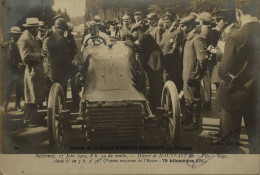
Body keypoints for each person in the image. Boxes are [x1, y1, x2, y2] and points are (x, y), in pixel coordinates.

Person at [217, 0, 260, 153]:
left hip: (234, 97)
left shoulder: (236, 37)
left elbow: (223, 71)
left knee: (230, 145)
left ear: (239, 13)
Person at [17, 18, 45, 126]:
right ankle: (31, 120)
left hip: (36, 71)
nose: (38, 29)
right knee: (31, 97)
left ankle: (34, 119)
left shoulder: (31, 37)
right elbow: (25, 57)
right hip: (31, 71)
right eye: (36, 28)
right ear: (31, 28)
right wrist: (40, 55)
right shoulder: (24, 39)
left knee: (35, 96)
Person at [182, 15, 208, 130]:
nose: (182, 28)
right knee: (188, 99)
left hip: (192, 75)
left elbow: (202, 59)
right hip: (187, 74)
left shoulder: (197, 38)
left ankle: (195, 123)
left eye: (183, 26)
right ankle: (188, 120)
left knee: (195, 100)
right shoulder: (189, 38)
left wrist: (199, 74)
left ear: (190, 26)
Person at [130, 23, 163, 114]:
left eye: (133, 32)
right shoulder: (143, 37)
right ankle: (154, 108)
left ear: (138, 31)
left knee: (156, 88)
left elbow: (134, 46)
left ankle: (158, 110)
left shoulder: (145, 36)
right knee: (152, 88)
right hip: (150, 67)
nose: (132, 35)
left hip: (155, 67)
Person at [43, 18, 71, 101]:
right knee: (62, 93)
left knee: (51, 94)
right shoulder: (62, 40)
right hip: (61, 73)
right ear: (63, 29)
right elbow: (64, 58)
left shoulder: (49, 39)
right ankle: (63, 108)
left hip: (51, 72)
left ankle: (51, 110)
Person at [160, 13, 183, 92]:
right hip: (164, 63)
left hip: (173, 63)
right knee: (165, 81)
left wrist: (164, 56)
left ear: (172, 22)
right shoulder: (164, 34)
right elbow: (161, 46)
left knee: (173, 84)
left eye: (167, 22)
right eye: (164, 22)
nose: (165, 24)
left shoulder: (176, 33)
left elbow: (174, 49)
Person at [3, 26, 24, 112]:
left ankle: (17, 105)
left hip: (17, 70)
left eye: (17, 35)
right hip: (8, 70)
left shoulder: (19, 45)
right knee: (9, 87)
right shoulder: (5, 45)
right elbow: (5, 58)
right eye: (13, 35)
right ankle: (5, 105)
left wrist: (20, 63)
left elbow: (20, 57)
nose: (14, 37)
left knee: (19, 87)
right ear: (11, 35)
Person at [196, 12, 214, 111]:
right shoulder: (208, 30)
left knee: (205, 82)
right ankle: (206, 103)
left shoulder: (205, 31)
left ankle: (206, 103)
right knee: (205, 82)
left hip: (205, 59)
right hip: (207, 58)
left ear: (202, 21)